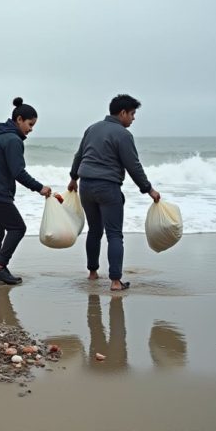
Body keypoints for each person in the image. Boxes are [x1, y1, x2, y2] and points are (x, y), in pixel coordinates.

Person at [68, 94, 161, 292]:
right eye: (133, 114)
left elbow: (79, 154)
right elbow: (133, 165)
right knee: (114, 234)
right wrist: (148, 189)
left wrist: (73, 178)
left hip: (86, 186)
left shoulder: (92, 128)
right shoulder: (123, 135)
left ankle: (92, 273)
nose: (134, 118)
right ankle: (116, 281)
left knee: (94, 231)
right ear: (122, 113)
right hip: (108, 187)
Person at [0, 97, 52, 285]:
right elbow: (18, 172)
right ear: (19, 120)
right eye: (30, 124)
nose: (31, 129)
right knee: (18, 228)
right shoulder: (13, 140)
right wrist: (39, 187)